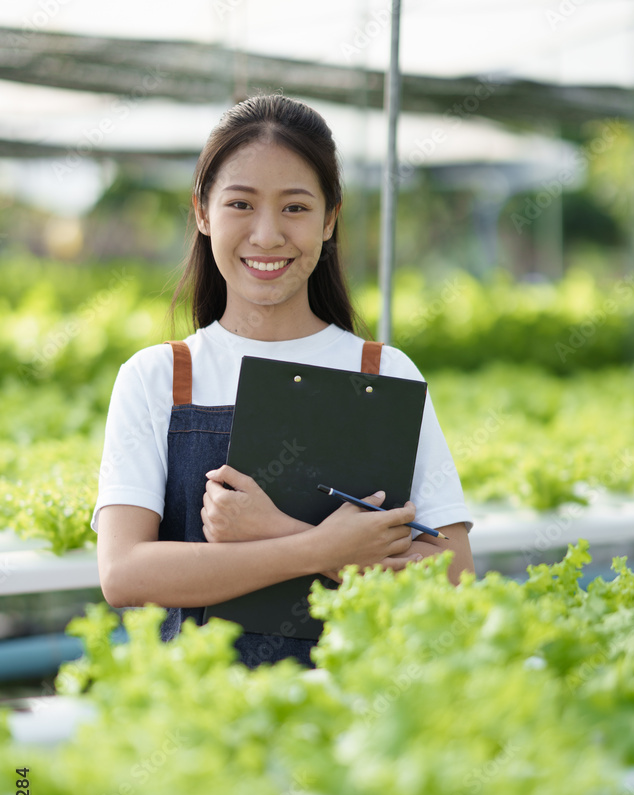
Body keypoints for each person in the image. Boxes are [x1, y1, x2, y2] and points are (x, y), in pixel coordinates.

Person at [93, 94, 474, 669]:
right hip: (201, 716)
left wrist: (273, 530)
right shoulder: (160, 376)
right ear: (202, 212)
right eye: (241, 204)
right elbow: (125, 575)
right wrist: (320, 548)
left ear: (329, 219)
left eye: (295, 208)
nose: (267, 235)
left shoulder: (385, 372)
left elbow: (454, 571)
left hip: (359, 715)